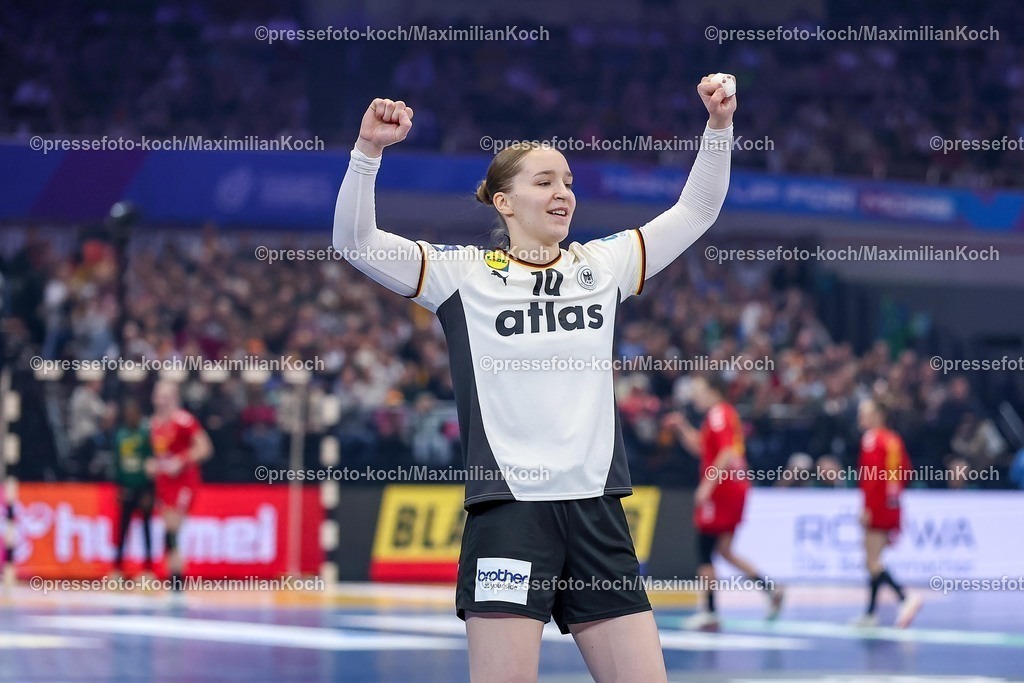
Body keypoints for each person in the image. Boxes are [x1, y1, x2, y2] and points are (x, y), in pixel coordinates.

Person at [334, 75, 736, 682]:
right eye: (545, 181)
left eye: (569, 183)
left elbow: (697, 209)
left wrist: (718, 128)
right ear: (504, 201)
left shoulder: (603, 265)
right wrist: (368, 154)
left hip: (597, 513)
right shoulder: (461, 275)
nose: (563, 193)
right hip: (510, 516)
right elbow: (355, 241)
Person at [663, 375, 783, 630]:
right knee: (724, 550)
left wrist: (707, 485)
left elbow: (727, 453)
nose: (695, 396)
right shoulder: (720, 415)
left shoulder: (718, 414)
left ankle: (710, 611)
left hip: (723, 489)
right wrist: (683, 427)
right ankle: (770, 589)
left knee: (704, 548)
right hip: (735, 487)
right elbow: (702, 449)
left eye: (699, 390)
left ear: (713, 391)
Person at [853, 398, 921, 627]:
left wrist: (867, 507)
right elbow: (907, 473)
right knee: (875, 561)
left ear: (878, 415)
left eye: (865, 412)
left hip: (878, 505)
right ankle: (871, 613)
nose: (860, 417)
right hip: (893, 505)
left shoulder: (872, 439)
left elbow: (870, 478)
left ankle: (905, 597)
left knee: (871, 561)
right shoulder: (894, 440)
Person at [148, 381, 213, 593]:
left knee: (174, 525)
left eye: (166, 396)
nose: (162, 401)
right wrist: (152, 464)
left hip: (184, 481)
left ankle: (176, 576)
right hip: (164, 481)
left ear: (175, 398)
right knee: (168, 528)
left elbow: (204, 448)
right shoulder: (154, 424)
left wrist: (181, 460)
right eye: (159, 396)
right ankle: (174, 576)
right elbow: (158, 453)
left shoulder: (184, 421)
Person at [112, 399, 155, 576]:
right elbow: (116, 464)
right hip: (127, 488)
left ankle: (147, 570)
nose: (131, 417)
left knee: (146, 529)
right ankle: (118, 569)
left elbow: (152, 463)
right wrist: (119, 488)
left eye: (134, 414)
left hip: (142, 488)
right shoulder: (120, 436)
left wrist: (149, 491)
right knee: (122, 530)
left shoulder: (146, 434)